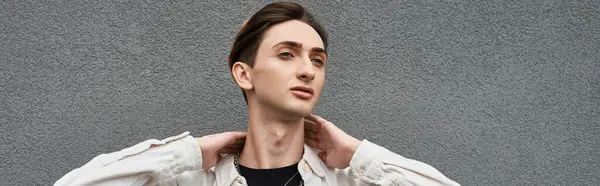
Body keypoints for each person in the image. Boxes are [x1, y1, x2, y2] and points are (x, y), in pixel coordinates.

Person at [54, 2, 460, 186]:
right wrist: (189, 154)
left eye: (318, 60)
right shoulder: (192, 179)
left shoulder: (349, 178)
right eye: (287, 54)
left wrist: (358, 155)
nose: (307, 69)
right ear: (244, 74)